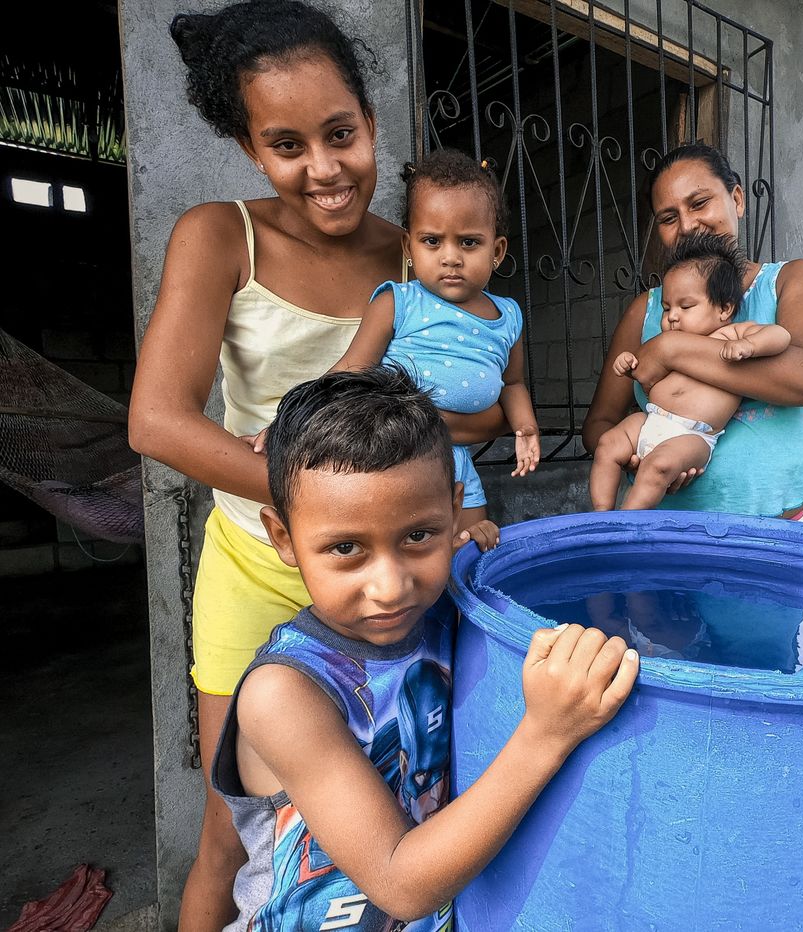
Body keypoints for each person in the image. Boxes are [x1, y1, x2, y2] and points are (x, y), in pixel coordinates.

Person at [127, 3, 505, 927]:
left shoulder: (417, 252)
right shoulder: (222, 235)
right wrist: (321, 512)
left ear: (371, 123)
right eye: (287, 145)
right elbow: (157, 421)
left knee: (410, 785)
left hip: (396, 568)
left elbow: (475, 403)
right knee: (230, 831)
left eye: (340, 135)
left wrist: (434, 483)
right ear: (249, 148)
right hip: (259, 562)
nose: (325, 168)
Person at [214, 364, 638, 929]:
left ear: (454, 509)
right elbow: (400, 885)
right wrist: (548, 734)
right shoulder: (286, 694)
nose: (391, 587)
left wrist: (471, 561)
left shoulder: (442, 615)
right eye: (346, 548)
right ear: (283, 538)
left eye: (418, 536)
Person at [582, 143, 803, 523]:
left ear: (736, 199)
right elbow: (598, 425)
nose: (687, 225)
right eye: (668, 217)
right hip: (666, 531)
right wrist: (636, 456)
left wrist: (670, 349)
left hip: (786, 527)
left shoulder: (792, 279)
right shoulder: (646, 310)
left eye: (700, 203)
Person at [290, 147, 539, 531]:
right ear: (409, 248)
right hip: (394, 458)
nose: (451, 257)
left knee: (472, 545)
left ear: (498, 250)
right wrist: (294, 420)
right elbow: (349, 372)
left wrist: (527, 429)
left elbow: (513, 383)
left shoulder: (508, 317)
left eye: (469, 243)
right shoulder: (398, 303)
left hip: (457, 462)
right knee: (411, 543)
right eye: (433, 241)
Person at [589, 232, 790, 511]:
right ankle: (602, 514)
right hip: (651, 419)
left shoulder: (730, 335)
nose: (672, 316)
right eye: (666, 308)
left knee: (658, 467)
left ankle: (626, 522)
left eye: (686, 306)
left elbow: (780, 335)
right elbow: (643, 372)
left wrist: (750, 345)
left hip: (694, 436)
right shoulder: (663, 343)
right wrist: (628, 362)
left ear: (724, 308)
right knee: (608, 443)